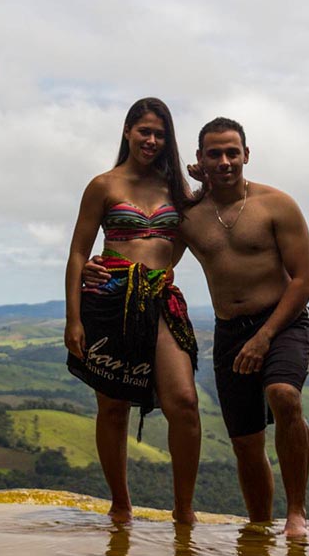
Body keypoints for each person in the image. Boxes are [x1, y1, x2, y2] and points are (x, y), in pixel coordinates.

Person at [86, 117, 309, 538]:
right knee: (246, 443)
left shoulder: (277, 204)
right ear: (199, 159)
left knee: (283, 395)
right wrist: (101, 265)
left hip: (282, 321)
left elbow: (305, 280)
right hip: (231, 331)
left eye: (233, 152)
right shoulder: (190, 214)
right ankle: (261, 526)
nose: (226, 161)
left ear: (248, 154)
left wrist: (265, 337)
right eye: (214, 154)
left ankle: (297, 513)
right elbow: (151, 250)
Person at [64, 97, 201, 525]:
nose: (152, 140)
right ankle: (120, 505)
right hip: (107, 299)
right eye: (144, 130)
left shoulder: (177, 191)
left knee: (183, 402)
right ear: (127, 131)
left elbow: (186, 237)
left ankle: (183, 510)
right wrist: (73, 318)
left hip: (159, 299)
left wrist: (207, 182)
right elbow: (76, 252)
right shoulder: (103, 185)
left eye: (160, 134)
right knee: (112, 406)